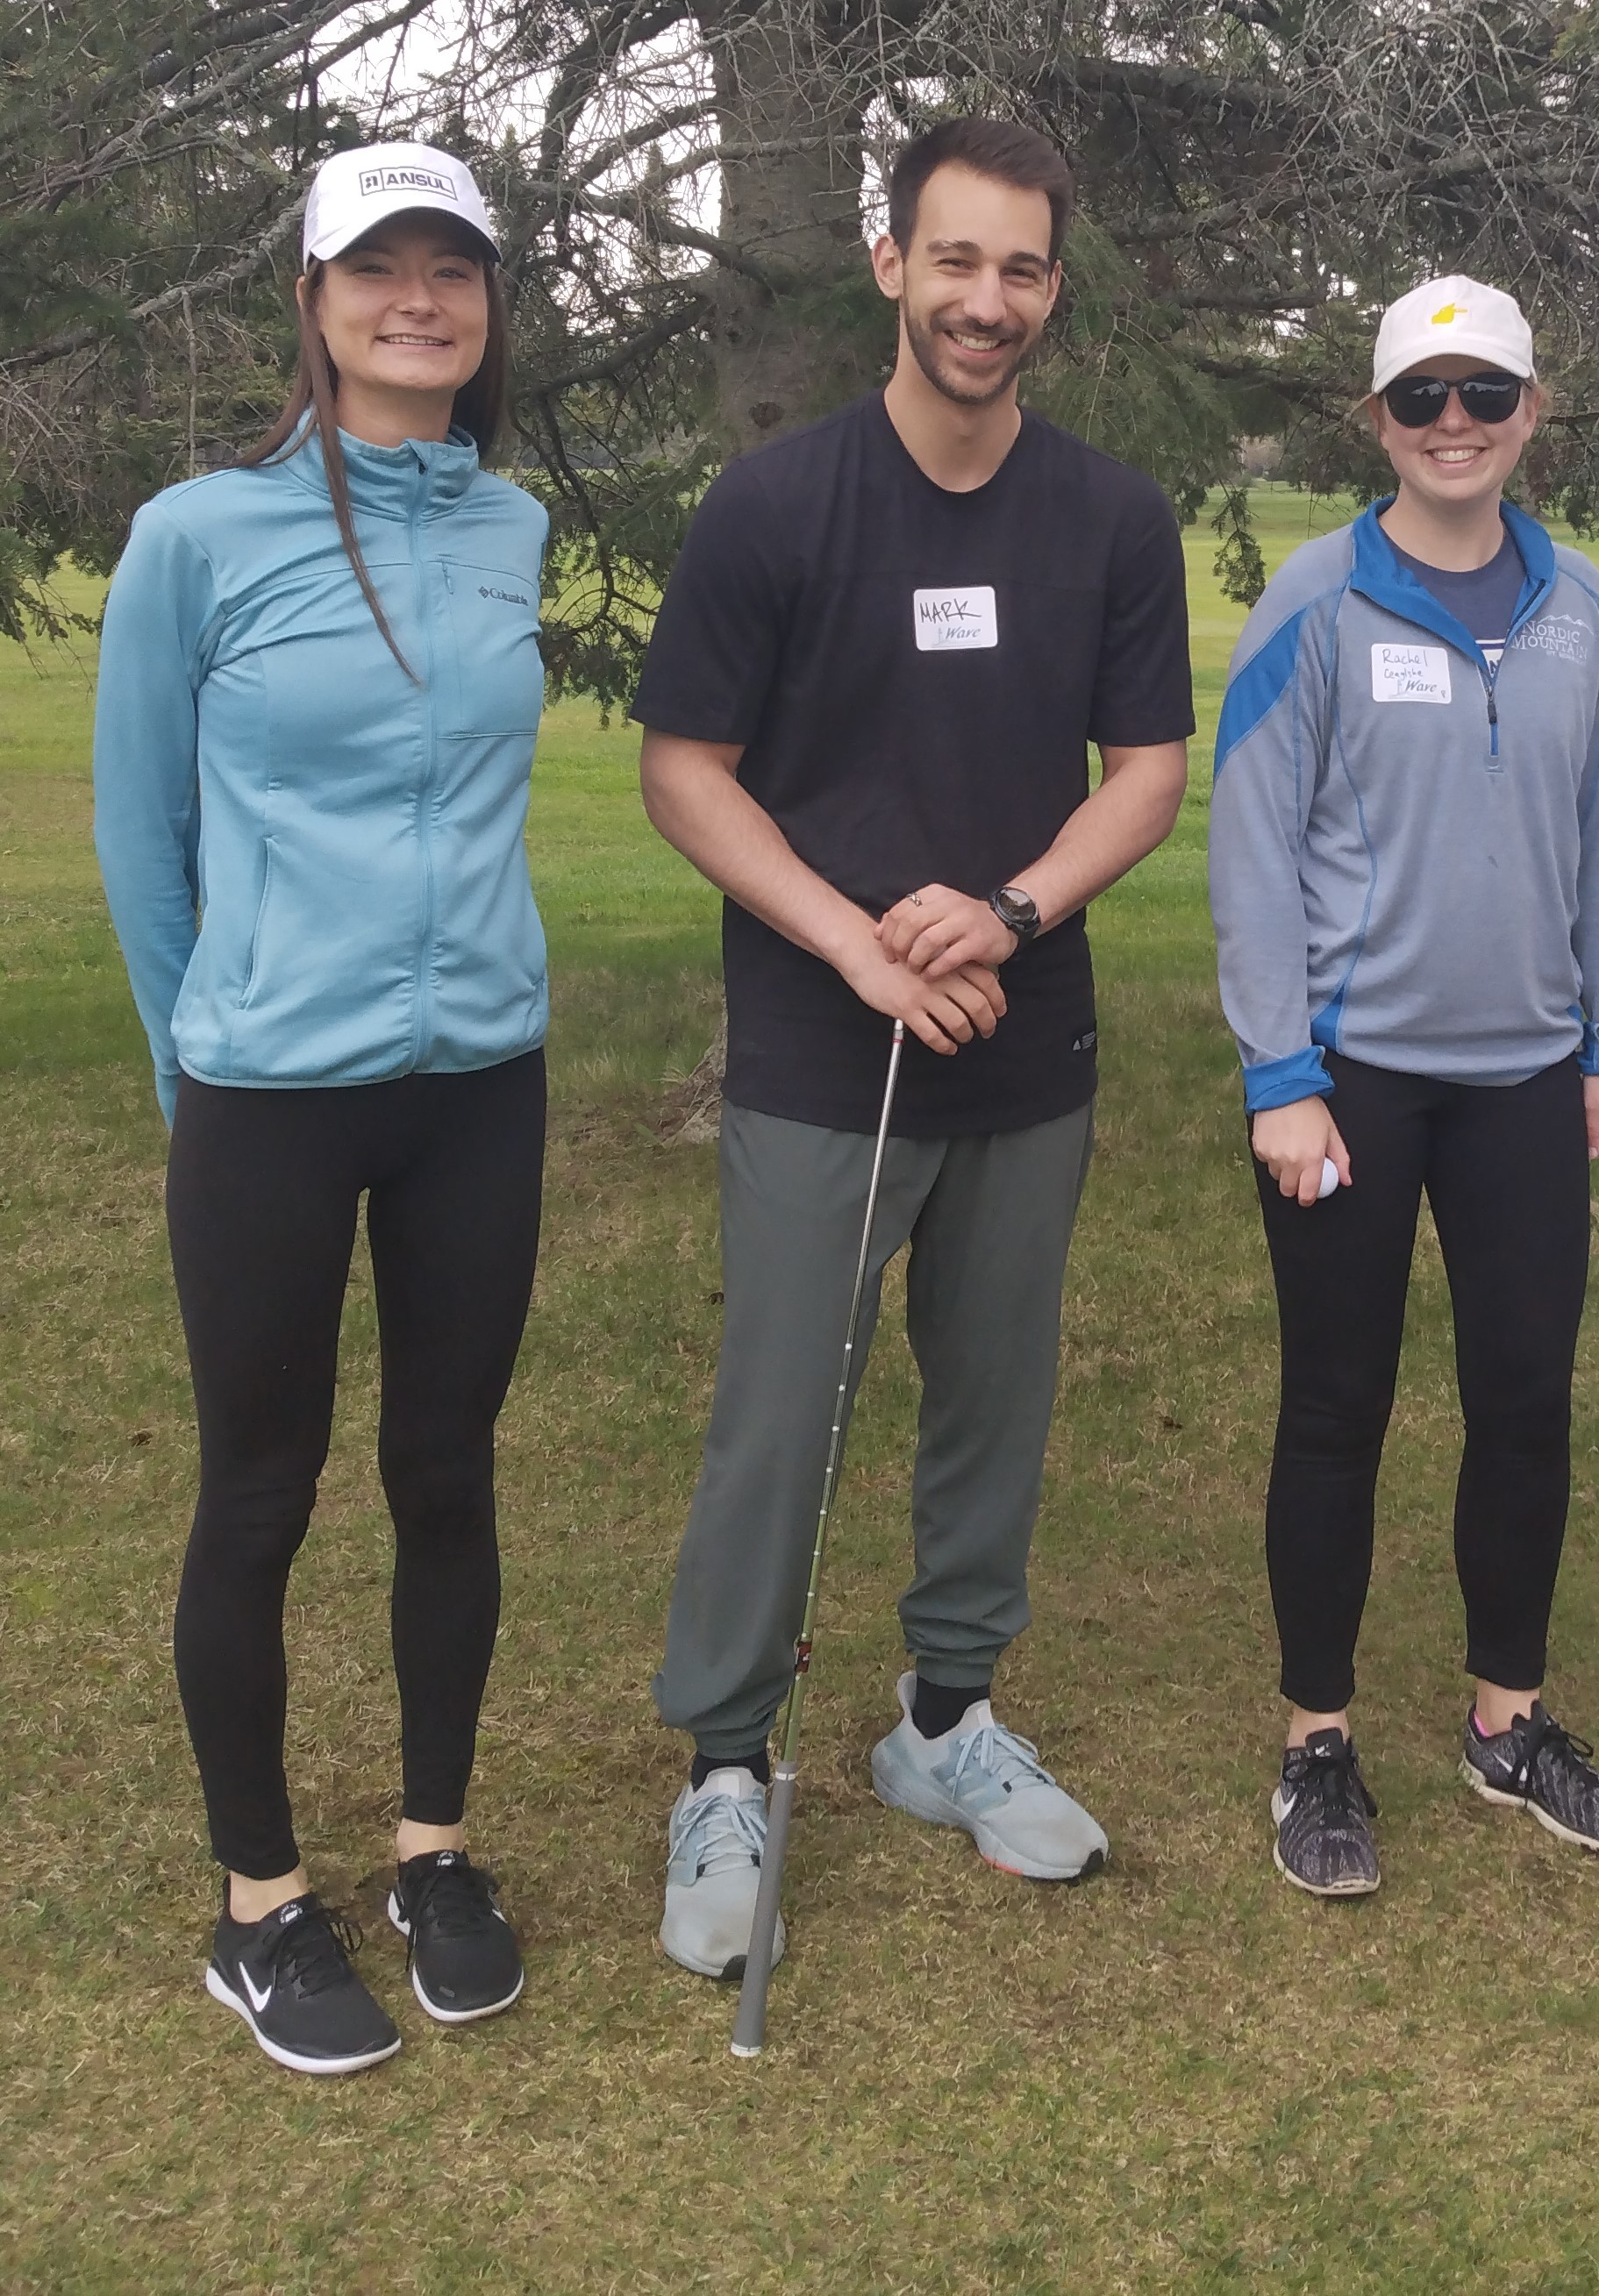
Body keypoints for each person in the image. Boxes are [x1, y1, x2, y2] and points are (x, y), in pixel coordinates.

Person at [635, 118, 1193, 1978]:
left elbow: (1147, 776)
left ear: (1052, 285)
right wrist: (856, 949)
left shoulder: (1112, 517)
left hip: (1027, 1048)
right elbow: (683, 773)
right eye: (953, 260)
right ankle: (725, 1760)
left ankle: (942, 1724)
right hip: (822, 1047)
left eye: (1020, 267)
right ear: (891, 264)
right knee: (780, 1410)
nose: (985, 299)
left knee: (995, 1402)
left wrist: (1016, 910)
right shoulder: (775, 504)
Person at [92, 142, 547, 2072]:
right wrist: (195, 1065)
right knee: (259, 1491)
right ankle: (259, 1904)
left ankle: (434, 1847)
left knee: (446, 1473)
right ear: (315, 297)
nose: (417, 298)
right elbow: (142, 832)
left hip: (480, 1087)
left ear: (487, 307)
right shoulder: (199, 532)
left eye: (451, 268)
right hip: (268, 1088)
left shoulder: (509, 524)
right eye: (380, 268)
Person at [1209, 275, 1599, 1898]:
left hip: (1529, 1078)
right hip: (1351, 1087)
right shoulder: (1317, 604)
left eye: (1486, 395)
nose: (1454, 425)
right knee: (1339, 1407)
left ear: (1533, 413)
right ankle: (1316, 1741)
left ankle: (1505, 1720)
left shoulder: (1579, 606)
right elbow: (1250, 845)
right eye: (1422, 399)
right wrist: (1279, 1071)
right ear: (1375, 419)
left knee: (1523, 1402)